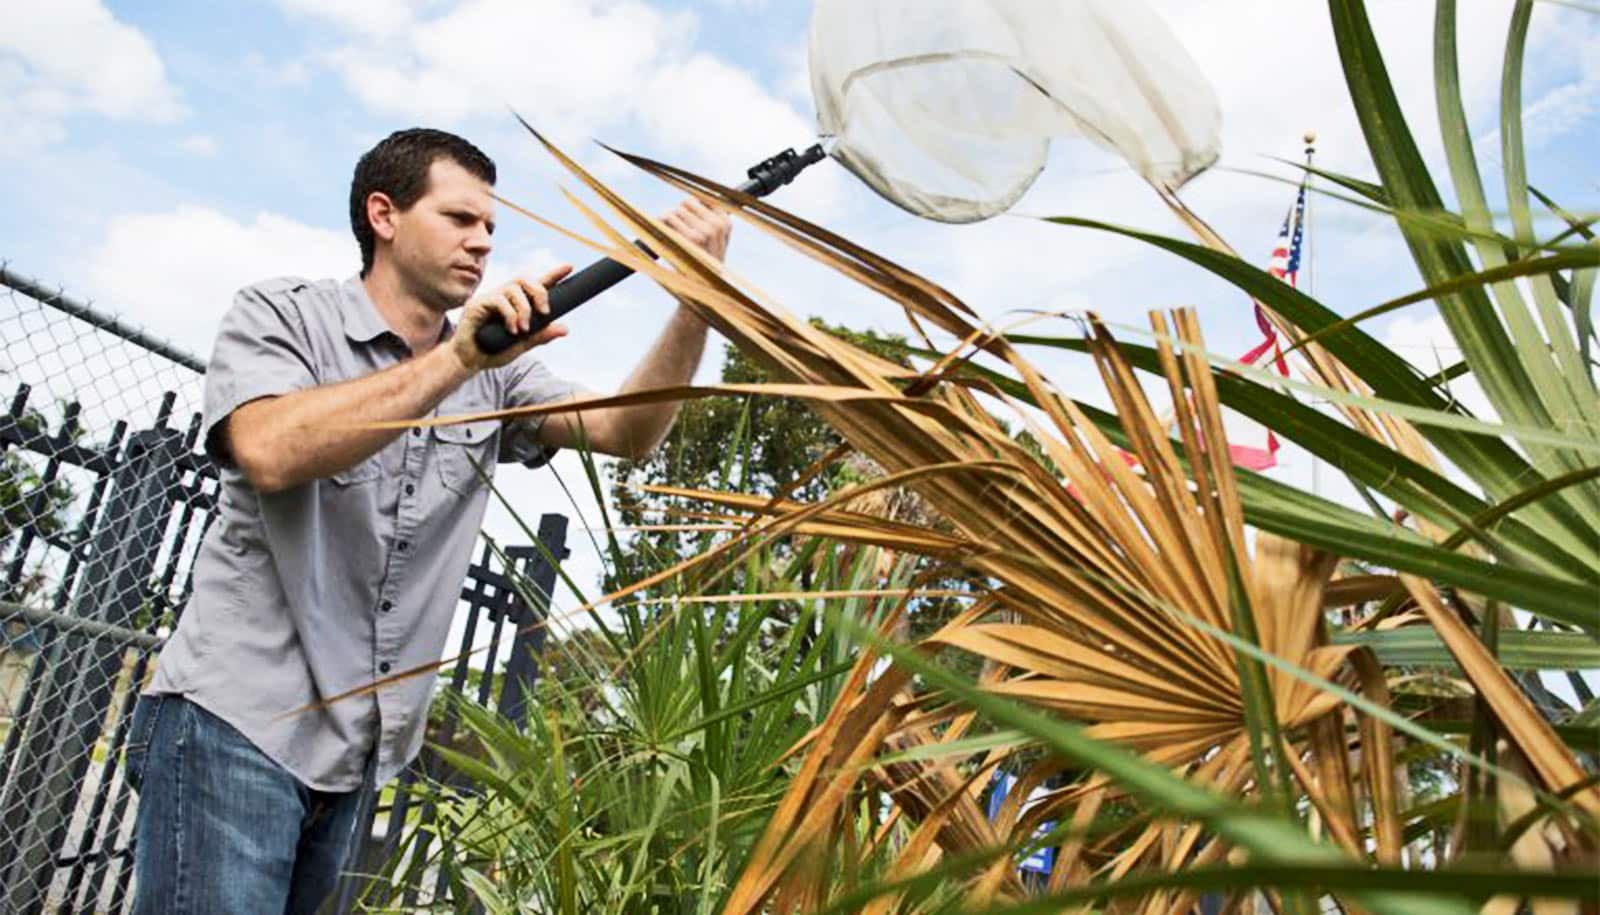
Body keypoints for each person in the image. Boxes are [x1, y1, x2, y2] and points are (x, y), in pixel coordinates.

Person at [122, 127, 730, 913]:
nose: (482, 243)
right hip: (233, 722)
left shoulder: (497, 376)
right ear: (383, 214)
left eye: (490, 228)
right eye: (459, 219)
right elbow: (269, 448)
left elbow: (628, 435)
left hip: (359, 755)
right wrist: (459, 362)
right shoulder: (284, 316)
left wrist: (697, 301)